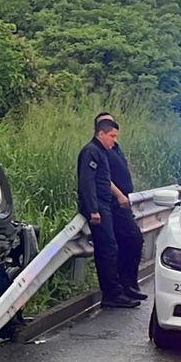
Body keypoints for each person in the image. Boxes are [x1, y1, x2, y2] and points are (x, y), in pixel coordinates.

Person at [78, 118, 140, 309]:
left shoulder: (102, 152)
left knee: (113, 247)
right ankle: (111, 294)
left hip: (105, 204)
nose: (114, 140)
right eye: (111, 136)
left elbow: (104, 180)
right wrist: (93, 209)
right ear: (101, 133)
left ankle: (119, 289)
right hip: (98, 206)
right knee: (107, 248)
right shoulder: (91, 151)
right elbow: (87, 183)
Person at [95, 111, 146, 297]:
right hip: (113, 202)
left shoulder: (114, 147)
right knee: (132, 239)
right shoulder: (99, 151)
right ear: (100, 130)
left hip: (123, 201)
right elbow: (103, 177)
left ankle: (129, 284)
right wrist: (119, 195)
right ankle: (124, 286)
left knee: (129, 243)